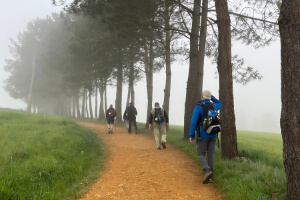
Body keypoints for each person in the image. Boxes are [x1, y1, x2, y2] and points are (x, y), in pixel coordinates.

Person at [188, 90, 222, 184]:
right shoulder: (214, 106)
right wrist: (211, 97)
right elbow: (219, 102)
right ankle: (210, 176)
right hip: (214, 134)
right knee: (210, 155)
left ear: (202, 96)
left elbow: (194, 121)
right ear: (210, 97)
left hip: (203, 135)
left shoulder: (198, 106)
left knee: (200, 153)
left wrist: (191, 135)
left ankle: (207, 171)